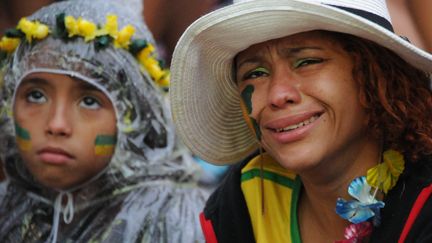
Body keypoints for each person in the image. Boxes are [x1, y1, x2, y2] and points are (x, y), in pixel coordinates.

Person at [169, 0, 432, 242]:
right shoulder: (239, 207)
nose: (278, 95)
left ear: (376, 75)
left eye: (308, 61)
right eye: (255, 73)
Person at [0, 0, 208, 242]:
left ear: (135, 118)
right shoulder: (7, 208)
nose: (56, 124)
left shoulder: (173, 220)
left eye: (89, 101)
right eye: (36, 96)